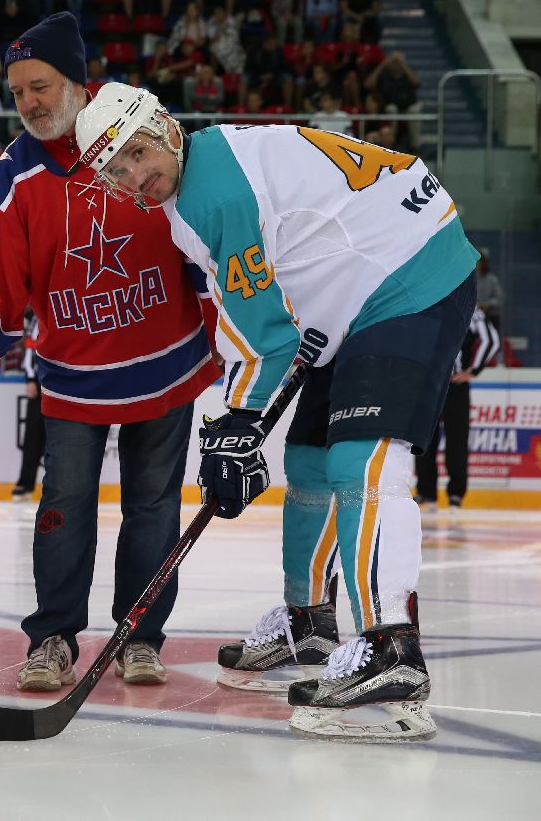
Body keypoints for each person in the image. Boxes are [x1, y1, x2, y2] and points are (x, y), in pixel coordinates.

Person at [72, 82, 479, 740]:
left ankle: (392, 648)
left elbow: (263, 333)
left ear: (166, 128)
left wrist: (235, 422)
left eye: (136, 155)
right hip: (357, 288)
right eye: (115, 171)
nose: (131, 178)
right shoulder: (196, 181)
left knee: (361, 458)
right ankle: (309, 622)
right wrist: (242, 420)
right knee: (310, 459)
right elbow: (272, 293)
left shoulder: (212, 193)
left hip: (410, 271)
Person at [0, 13, 218, 692]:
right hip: (74, 374)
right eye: (17, 92)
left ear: (77, 82)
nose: (30, 103)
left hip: (165, 364)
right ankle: (52, 637)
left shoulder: (139, 132)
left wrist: (238, 323)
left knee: (153, 507)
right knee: (63, 504)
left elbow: (204, 237)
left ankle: (140, 635)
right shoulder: (14, 176)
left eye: (40, 85)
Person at [415, 308, 500, 512]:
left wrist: (473, 371)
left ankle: (450, 494)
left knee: (454, 439)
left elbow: (492, 341)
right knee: (424, 439)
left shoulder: (470, 311)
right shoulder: (432, 305)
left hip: (450, 385)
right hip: (431, 385)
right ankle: (435, 493)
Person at [11, 312, 45, 501]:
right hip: (41, 384)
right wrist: (31, 378)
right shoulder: (36, 318)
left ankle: (58, 486)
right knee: (32, 436)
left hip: (61, 384)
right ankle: (25, 483)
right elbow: (31, 348)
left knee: (60, 439)